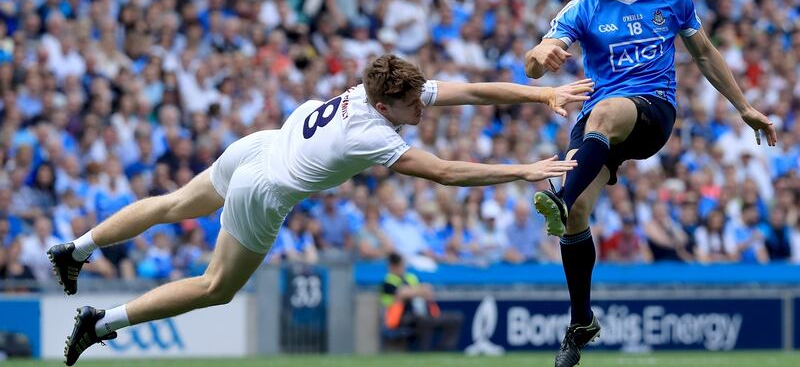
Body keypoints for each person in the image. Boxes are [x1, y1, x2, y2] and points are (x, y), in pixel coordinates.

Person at [47, 53, 592, 365]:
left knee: (171, 205)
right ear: (384, 105)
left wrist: (541, 94)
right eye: (411, 105)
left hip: (261, 145)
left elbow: (469, 92)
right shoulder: (372, 134)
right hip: (265, 187)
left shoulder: (374, 90)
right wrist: (522, 170)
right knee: (216, 287)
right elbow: (446, 172)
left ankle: (76, 248)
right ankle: (101, 322)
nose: (421, 108)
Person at [523, 0, 778, 367]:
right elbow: (534, 64)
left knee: (599, 124)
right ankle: (581, 321)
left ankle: (561, 198)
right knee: (577, 215)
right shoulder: (584, 6)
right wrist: (538, 56)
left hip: (652, 111)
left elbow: (704, 53)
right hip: (598, 124)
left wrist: (744, 107)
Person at [381, 252, 462, 351]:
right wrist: (418, 291)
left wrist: (413, 291)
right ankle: (424, 350)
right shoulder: (388, 281)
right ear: (392, 266)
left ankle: (444, 349)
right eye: (399, 265)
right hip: (401, 319)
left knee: (455, 318)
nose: (402, 268)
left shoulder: (410, 277)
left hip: (423, 314)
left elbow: (428, 290)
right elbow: (402, 294)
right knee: (423, 320)